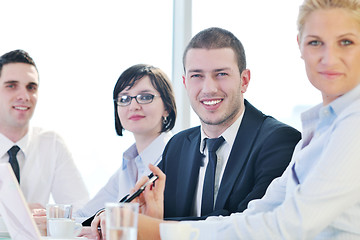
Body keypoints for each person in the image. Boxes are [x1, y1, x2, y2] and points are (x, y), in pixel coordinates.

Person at [124, 0, 360, 239]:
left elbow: (288, 226)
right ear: (300, 45)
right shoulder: (321, 129)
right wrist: (151, 225)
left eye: (346, 42)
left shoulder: (350, 125)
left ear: (244, 80)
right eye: (316, 42)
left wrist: (161, 231)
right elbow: (256, 214)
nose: (329, 58)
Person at [91, 27, 301, 238]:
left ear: (244, 80)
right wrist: (107, 216)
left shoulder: (279, 141)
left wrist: (153, 226)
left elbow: (248, 225)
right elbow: (144, 210)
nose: (209, 88)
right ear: (185, 82)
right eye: (197, 76)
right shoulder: (178, 145)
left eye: (221, 74)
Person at [75, 64, 176, 221]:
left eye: (145, 97)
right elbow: (86, 214)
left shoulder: (178, 156)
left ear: (167, 107)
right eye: (124, 99)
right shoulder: (130, 163)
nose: (133, 106)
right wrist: (51, 218)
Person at [0, 49, 89, 210]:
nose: (24, 96)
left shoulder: (51, 144)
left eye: (31, 87)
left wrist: (49, 216)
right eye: (11, 86)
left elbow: (81, 209)